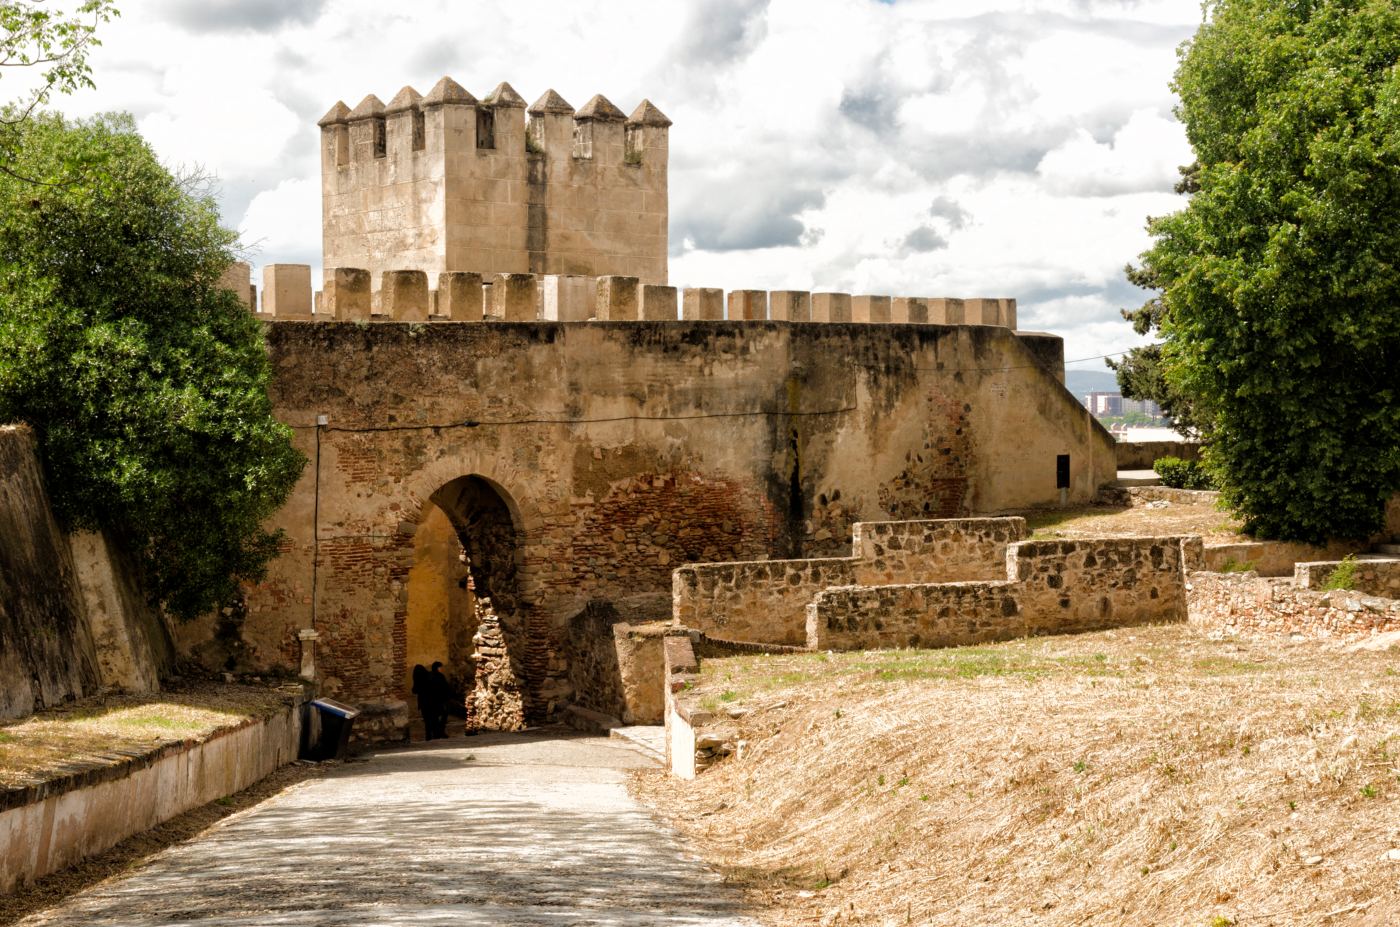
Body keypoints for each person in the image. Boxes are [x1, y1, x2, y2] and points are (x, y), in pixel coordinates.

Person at [411, 663, 440, 741]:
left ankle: (429, 736)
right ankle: (436, 735)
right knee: (434, 719)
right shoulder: (430, 675)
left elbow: (414, 690)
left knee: (427, 721)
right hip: (434, 702)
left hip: (424, 703)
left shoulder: (419, 679)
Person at [428, 661, 452, 740]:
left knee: (436, 717)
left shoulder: (430, 676)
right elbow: (445, 687)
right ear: (437, 668)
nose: (442, 669)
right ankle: (439, 732)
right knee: (441, 716)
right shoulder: (439, 676)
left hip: (434, 700)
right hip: (439, 700)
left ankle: (437, 732)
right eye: (440, 667)